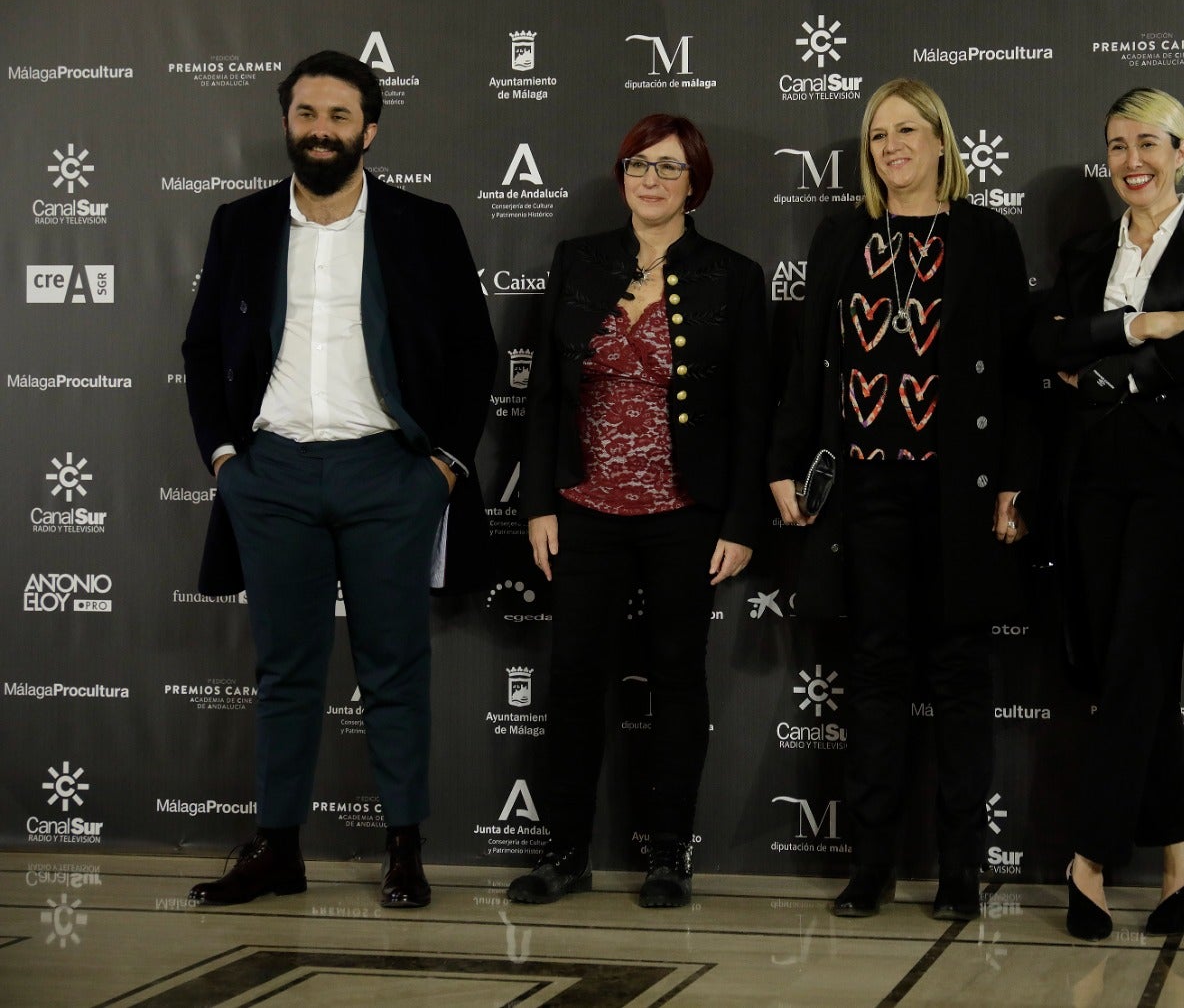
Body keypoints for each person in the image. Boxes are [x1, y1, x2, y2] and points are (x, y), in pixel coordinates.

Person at [180, 50, 496, 908]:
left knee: (394, 666)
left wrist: (442, 467)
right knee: (285, 670)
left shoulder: (425, 225)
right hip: (271, 472)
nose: (321, 130)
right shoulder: (239, 224)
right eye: (307, 114)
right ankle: (276, 848)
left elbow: (476, 357)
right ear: (287, 122)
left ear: (371, 130)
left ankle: (405, 849)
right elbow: (203, 349)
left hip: (390, 474)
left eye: (339, 117)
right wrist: (224, 460)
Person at [768, 78, 1034, 921]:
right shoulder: (841, 235)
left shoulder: (987, 237)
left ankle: (961, 870)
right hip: (866, 491)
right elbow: (810, 358)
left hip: (958, 491)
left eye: (908, 131)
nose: (891, 147)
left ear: (941, 142)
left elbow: (1022, 371)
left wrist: (1014, 482)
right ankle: (870, 867)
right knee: (874, 676)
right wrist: (786, 462)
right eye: (878, 134)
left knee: (959, 678)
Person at [509, 114, 768, 909]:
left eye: (667, 168)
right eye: (636, 166)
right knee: (575, 681)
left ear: (695, 182)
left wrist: (740, 521)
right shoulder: (578, 261)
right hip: (584, 507)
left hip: (685, 512)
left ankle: (668, 858)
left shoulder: (733, 275)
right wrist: (540, 503)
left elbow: (754, 410)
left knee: (677, 683)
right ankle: (563, 854)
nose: (649, 180)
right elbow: (548, 392)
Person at [1031, 88, 1184, 939]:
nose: (1133, 160)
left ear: (1183, 150)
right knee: (1122, 668)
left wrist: (1111, 372)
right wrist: (1137, 327)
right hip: (1090, 478)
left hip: (1177, 477)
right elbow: (1044, 343)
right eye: (1118, 145)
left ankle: (1086, 858)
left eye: (1150, 143)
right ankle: (1181, 853)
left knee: (1136, 656)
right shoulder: (1088, 245)